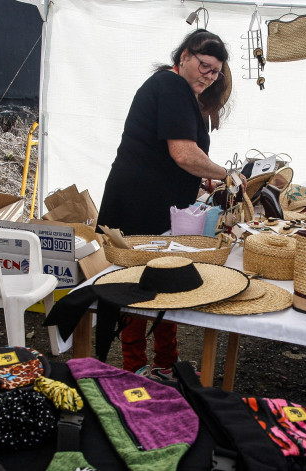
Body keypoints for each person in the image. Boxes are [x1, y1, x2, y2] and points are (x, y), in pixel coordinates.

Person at [95, 29, 235, 379]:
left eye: (216, 71)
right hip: (139, 204)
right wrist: (226, 174)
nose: (209, 75)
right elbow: (184, 153)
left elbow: (173, 154)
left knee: (163, 279)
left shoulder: (177, 90)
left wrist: (202, 177)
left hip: (149, 200)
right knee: (138, 283)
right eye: (204, 65)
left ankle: (163, 363)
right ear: (184, 56)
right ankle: (136, 366)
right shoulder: (170, 86)